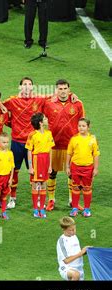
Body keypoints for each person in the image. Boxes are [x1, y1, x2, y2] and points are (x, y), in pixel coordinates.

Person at [2, 77, 45, 209]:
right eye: (24, 84)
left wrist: (72, 95)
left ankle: (37, 198)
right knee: (14, 170)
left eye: (29, 84)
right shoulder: (13, 101)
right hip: (17, 142)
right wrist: (12, 124)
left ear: (32, 87)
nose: (27, 87)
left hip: (33, 144)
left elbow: (56, 96)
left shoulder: (39, 100)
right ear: (20, 87)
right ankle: (12, 198)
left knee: (35, 173)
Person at [43, 79, 85, 211]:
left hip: (71, 145)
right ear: (56, 90)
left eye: (65, 88)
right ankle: (51, 200)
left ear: (69, 89)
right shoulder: (48, 103)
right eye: (60, 89)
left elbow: (82, 122)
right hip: (53, 145)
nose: (63, 91)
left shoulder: (77, 104)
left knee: (72, 174)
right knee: (52, 172)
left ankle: (73, 200)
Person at [66, 118, 100, 218]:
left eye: (83, 126)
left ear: (88, 127)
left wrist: (96, 168)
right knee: (75, 187)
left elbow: (96, 155)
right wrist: (67, 166)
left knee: (87, 188)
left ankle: (87, 209)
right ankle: (75, 208)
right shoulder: (74, 139)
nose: (81, 128)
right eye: (79, 126)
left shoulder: (93, 139)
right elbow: (69, 153)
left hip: (88, 168)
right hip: (75, 167)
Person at [25, 113, 55, 219]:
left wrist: (50, 165)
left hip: (45, 160)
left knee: (43, 185)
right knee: (35, 184)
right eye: (45, 118)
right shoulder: (32, 135)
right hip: (37, 160)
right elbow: (29, 151)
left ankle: (41, 208)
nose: (47, 119)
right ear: (41, 123)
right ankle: (35, 209)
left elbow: (50, 150)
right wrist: (30, 167)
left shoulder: (49, 134)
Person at [57, 216, 91, 280]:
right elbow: (66, 260)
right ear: (63, 229)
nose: (74, 231)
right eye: (70, 230)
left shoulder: (74, 237)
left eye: (74, 229)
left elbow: (77, 253)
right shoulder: (62, 241)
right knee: (75, 275)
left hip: (79, 268)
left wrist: (86, 251)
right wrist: (81, 252)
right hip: (66, 268)